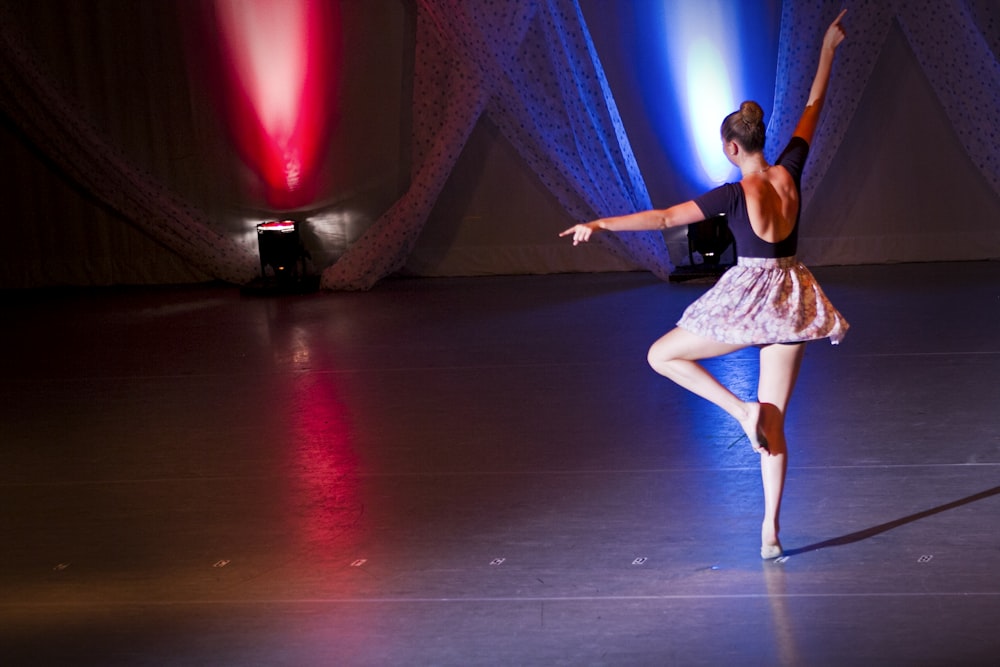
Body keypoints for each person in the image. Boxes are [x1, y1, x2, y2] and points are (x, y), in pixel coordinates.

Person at [560, 10, 850, 560]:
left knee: (661, 356)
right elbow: (814, 106)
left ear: (731, 149)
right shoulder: (791, 168)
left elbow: (667, 218)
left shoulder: (733, 194)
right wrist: (829, 49)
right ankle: (770, 530)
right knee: (777, 420)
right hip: (791, 301)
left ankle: (740, 413)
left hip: (753, 299)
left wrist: (600, 223)